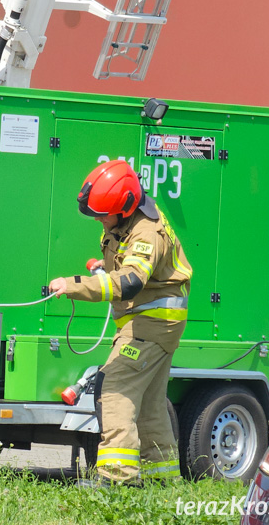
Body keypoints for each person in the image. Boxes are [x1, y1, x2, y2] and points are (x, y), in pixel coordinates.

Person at [48, 159, 192, 486]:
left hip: (149, 326)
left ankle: (118, 483)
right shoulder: (127, 222)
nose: (99, 219)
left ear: (124, 207)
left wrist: (73, 285)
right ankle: (162, 484)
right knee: (151, 407)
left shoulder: (146, 232)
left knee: (113, 390)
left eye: (103, 214)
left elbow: (130, 281)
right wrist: (106, 263)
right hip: (154, 324)